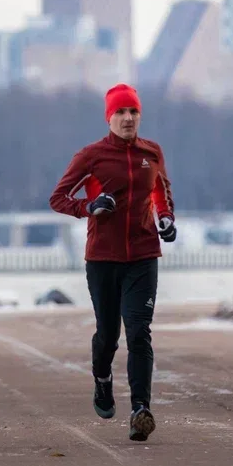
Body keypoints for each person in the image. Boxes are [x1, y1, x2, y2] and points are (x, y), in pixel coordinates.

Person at [49, 83, 176, 442]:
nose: (128, 118)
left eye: (133, 111)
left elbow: (161, 191)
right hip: (103, 258)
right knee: (109, 335)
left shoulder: (151, 152)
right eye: (120, 112)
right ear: (109, 117)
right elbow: (58, 198)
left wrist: (166, 219)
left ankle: (140, 409)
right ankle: (102, 380)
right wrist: (87, 207)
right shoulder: (91, 156)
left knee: (139, 332)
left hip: (143, 254)